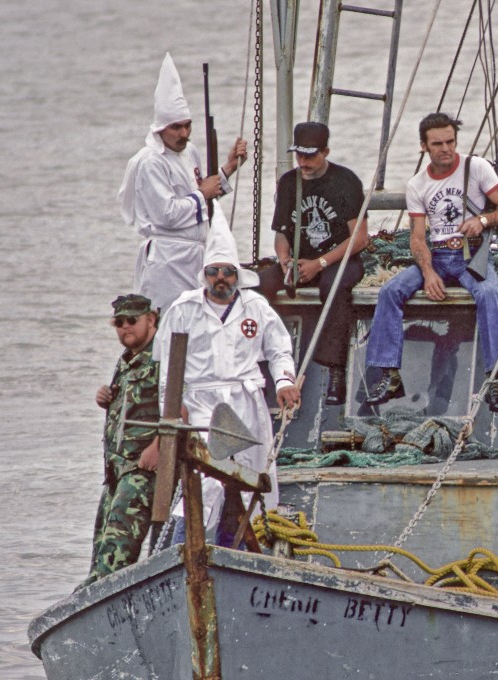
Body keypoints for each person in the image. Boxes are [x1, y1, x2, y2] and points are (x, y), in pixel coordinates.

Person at [156, 219, 301, 546]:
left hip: (246, 401)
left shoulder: (256, 307)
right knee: (206, 481)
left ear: (237, 275)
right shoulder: (183, 310)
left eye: (227, 272)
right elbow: (167, 365)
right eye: (214, 272)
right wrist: (172, 403)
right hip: (202, 404)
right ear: (204, 275)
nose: (221, 279)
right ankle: (179, 549)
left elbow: (279, 350)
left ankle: (232, 550)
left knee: (247, 483)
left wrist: (283, 382)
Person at [363, 113, 498, 412]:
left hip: (471, 255)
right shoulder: (417, 184)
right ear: (424, 146)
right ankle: (390, 375)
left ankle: (494, 378)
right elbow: (418, 238)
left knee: (488, 293)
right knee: (390, 292)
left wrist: (483, 220)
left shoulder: (477, 168)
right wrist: (428, 272)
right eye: (437, 143)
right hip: (436, 256)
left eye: (450, 141)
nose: (445, 148)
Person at [118, 53, 247, 313]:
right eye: (176, 127)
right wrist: (202, 194)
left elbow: (202, 195)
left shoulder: (190, 152)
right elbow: (167, 214)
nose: (184, 134)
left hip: (196, 255)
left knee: (199, 319)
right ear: (161, 128)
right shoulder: (151, 162)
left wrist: (228, 169)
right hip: (168, 258)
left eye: (188, 126)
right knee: (169, 321)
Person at [258, 122, 370, 406]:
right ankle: (254, 362)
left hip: (339, 258)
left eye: (310, 155)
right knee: (257, 286)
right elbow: (282, 234)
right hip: (301, 260)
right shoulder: (288, 183)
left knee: (335, 286)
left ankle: (335, 371)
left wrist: (319, 263)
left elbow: (359, 239)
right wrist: (285, 262)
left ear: (325, 152)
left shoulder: (346, 182)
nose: (304, 162)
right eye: (299, 156)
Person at [82, 294, 160, 587]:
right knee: (101, 551)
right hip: (116, 468)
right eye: (118, 322)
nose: (125, 327)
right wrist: (107, 397)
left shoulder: (161, 357)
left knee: (116, 555)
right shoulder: (127, 359)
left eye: (132, 320)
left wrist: (157, 447)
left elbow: (182, 407)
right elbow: (132, 402)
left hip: (141, 469)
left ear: (150, 319)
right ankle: (88, 602)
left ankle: (104, 603)